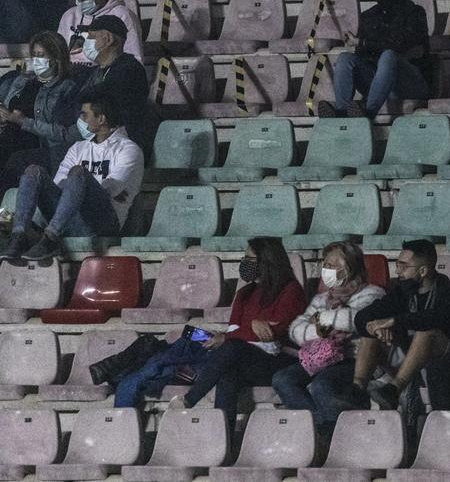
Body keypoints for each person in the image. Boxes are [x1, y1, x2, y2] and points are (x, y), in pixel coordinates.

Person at [169, 238, 307, 432]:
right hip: (245, 358)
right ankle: (224, 440)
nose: (244, 263)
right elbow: (234, 330)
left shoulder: (291, 290)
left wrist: (236, 334)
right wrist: (245, 331)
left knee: (233, 347)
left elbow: (275, 332)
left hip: (278, 360)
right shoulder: (244, 293)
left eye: (249, 258)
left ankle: (190, 399)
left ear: (266, 261)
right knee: (227, 372)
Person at [2, 90, 143, 260]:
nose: (81, 120)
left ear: (101, 119)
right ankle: (19, 236)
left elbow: (111, 190)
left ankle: (50, 238)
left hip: (101, 224)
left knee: (78, 172)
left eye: (85, 115)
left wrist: (78, 184)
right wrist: (75, 188)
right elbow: (59, 184)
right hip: (68, 219)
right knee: (34, 171)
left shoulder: (129, 150)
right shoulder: (78, 148)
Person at [272, 242, 384, 437]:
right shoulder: (322, 299)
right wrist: (320, 330)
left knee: (322, 384)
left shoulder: (373, 294)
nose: (327, 270)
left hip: (354, 359)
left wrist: (321, 319)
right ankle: (318, 429)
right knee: (282, 378)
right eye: (326, 264)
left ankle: (334, 435)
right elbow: (296, 330)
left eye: (333, 265)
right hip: (322, 357)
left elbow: (355, 321)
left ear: (350, 267)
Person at [353, 240, 450, 414]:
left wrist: (394, 321)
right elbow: (362, 316)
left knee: (427, 333)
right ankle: (356, 390)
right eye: (397, 265)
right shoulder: (401, 292)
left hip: (449, 360)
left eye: (403, 266)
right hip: (408, 354)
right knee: (369, 335)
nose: (398, 272)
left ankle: (393, 389)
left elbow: (433, 319)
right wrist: (376, 328)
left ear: (423, 270)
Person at [318, 0, 430, 119]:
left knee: (389, 55)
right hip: (378, 81)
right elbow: (362, 55)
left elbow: (399, 44)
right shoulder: (369, 16)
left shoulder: (415, 13)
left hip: (410, 83)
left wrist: (364, 42)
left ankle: (369, 113)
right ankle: (341, 112)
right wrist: (363, 45)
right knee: (345, 58)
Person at [0, 32, 81, 189]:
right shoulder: (22, 80)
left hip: (39, 145)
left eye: (42, 55)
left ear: (56, 58)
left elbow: (65, 132)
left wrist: (23, 121)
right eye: (34, 55)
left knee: (13, 160)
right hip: (9, 137)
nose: (36, 60)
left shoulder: (67, 88)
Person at [75, 15, 152, 149]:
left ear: (108, 39)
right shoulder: (99, 71)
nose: (86, 41)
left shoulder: (129, 68)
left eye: (91, 37)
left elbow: (98, 95)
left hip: (127, 144)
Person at [58, 0, 143, 64]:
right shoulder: (68, 16)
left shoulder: (123, 16)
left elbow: (135, 60)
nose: (80, 2)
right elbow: (59, 56)